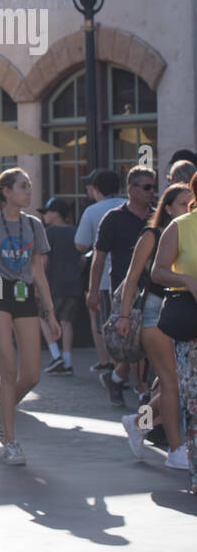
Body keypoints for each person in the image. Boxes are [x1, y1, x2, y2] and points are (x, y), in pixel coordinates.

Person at [0, 168, 58, 466]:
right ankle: (11, 441)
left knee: (31, 374)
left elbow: (39, 273)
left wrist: (52, 315)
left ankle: (0, 409)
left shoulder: (34, 225)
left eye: (30, 187)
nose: (29, 192)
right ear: (6, 192)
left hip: (23, 293)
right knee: (7, 368)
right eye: (23, 187)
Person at [116, 182, 193, 468]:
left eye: (191, 201)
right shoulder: (154, 234)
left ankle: (138, 422)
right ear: (168, 207)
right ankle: (175, 449)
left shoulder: (189, 232)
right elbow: (132, 276)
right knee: (172, 384)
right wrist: (123, 316)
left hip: (182, 314)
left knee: (167, 384)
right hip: (154, 313)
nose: (189, 207)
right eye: (183, 203)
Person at [148, 172, 197, 493]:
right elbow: (157, 271)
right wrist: (188, 280)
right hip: (189, 326)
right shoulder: (181, 227)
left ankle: (139, 423)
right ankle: (141, 424)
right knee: (189, 397)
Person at [92, 166, 156, 406]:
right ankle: (139, 394)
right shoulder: (113, 218)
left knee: (144, 342)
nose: (152, 192)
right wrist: (93, 291)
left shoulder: (158, 217)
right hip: (122, 290)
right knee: (132, 342)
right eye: (147, 187)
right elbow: (98, 259)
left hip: (152, 290)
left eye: (153, 186)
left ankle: (123, 381)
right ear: (132, 189)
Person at [77, 168, 126, 376]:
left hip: (106, 279)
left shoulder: (93, 211)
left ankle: (110, 363)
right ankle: (128, 369)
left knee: (106, 324)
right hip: (133, 278)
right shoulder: (129, 207)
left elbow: (80, 244)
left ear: (96, 189)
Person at [37, 198, 80, 375]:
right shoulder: (75, 231)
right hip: (73, 283)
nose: (45, 216)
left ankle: (56, 356)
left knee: (43, 316)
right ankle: (68, 361)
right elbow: (83, 258)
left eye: (47, 212)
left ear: (55, 213)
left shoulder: (48, 233)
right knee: (67, 321)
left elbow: (43, 261)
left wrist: (36, 284)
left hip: (52, 284)